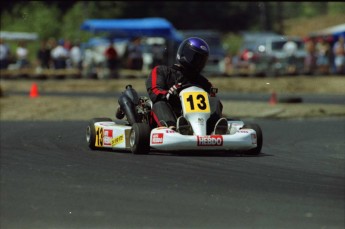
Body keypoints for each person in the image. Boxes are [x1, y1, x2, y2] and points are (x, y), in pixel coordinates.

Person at [145, 37, 228, 135]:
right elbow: (154, 91)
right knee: (159, 103)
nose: (198, 62)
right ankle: (173, 128)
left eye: (201, 59)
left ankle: (213, 128)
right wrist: (168, 94)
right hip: (170, 114)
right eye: (195, 58)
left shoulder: (201, 81)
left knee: (214, 100)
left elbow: (212, 97)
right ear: (184, 54)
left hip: (199, 120)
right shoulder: (162, 71)